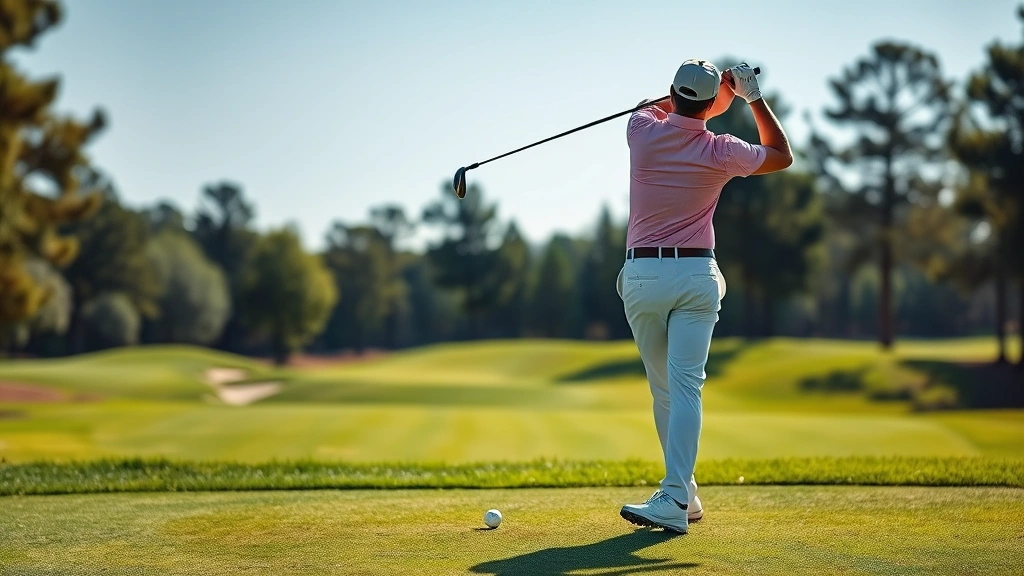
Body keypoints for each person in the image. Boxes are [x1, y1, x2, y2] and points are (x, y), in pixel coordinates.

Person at [616, 60, 793, 533]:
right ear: (710, 105)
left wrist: (714, 98)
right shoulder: (721, 150)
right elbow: (781, 155)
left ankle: (675, 496)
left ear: (674, 92)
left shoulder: (640, 131)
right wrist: (750, 96)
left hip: (644, 276)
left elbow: (656, 108)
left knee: (665, 389)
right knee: (686, 386)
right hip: (696, 275)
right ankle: (684, 495)